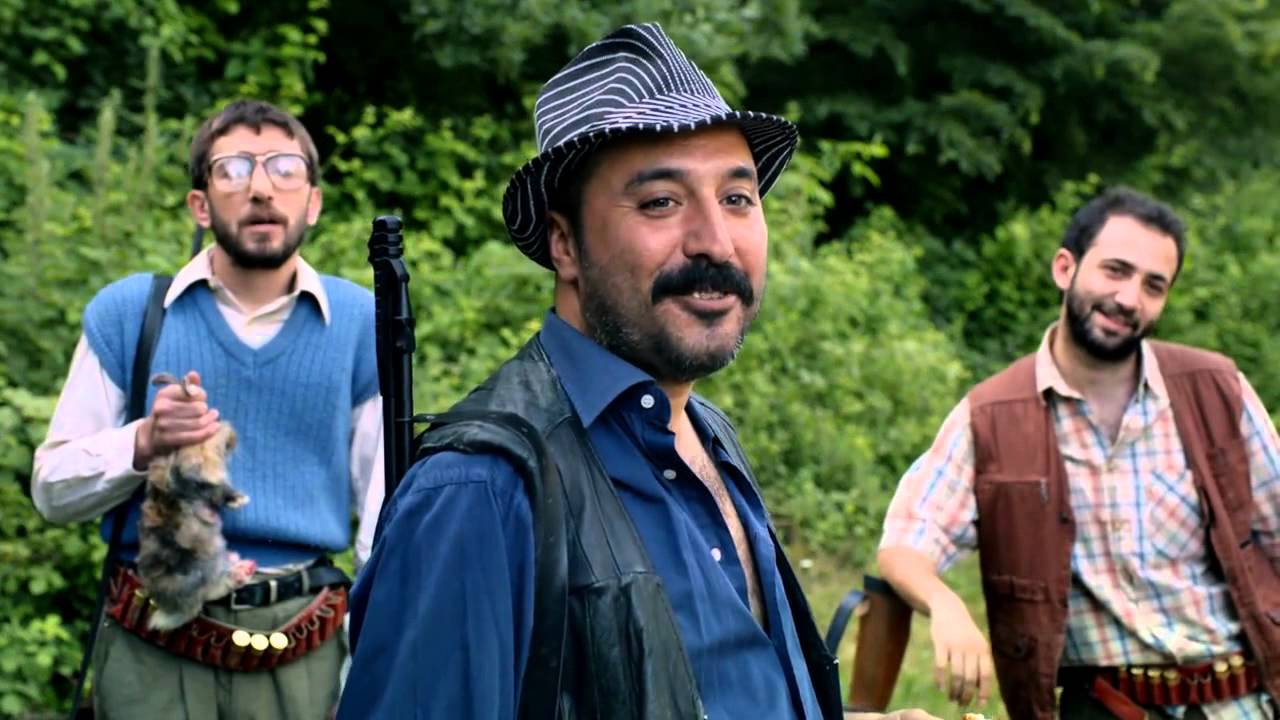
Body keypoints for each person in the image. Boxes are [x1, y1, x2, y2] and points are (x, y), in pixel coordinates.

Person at [339, 22, 936, 720]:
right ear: (564, 244)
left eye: (737, 199)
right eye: (661, 202)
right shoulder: (482, 490)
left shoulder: (707, 433)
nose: (715, 242)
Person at [32, 99, 384, 719]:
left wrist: (373, 650)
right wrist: (143, 442)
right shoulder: (130, 314)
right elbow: (53, 490)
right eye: (233, 169)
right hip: (151, 648)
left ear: (313, 202)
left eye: (284, 168)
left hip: (301, 653)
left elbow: (383, 516)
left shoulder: (362, 323)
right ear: (200, 204)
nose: (261, 188)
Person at [877, 187, 1280, 719]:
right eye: (1115, 271)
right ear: (1065, 268)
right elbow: (905, 544)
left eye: (1153, 285)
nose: (1129, 299)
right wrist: (946, 605)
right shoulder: (993, 416)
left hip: (1246, 702)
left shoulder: (1217, 390)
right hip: (1108, 708)